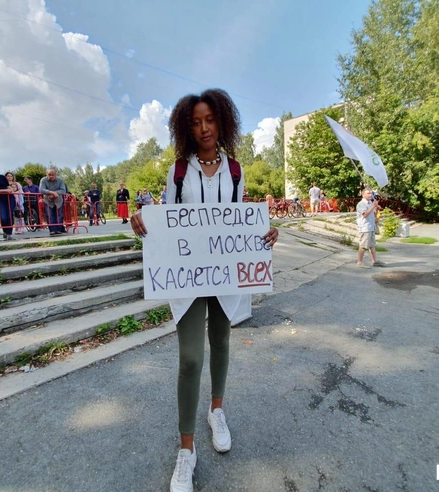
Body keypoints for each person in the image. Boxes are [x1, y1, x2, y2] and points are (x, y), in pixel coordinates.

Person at [130, 88, 278, 492]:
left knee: (223, 342)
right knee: (191, 358)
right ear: (185, 127)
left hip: (225, 273)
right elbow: (165, 220)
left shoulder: (235, 170)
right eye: (195, 122)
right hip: (188, 278)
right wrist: (141, 220)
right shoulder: (178, 171)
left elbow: (241, 220)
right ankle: (186, 450)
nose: (203, 128)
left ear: (222, 120)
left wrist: (263, 235)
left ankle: (216, 411)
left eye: (209, 119)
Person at [356, 187, 384, 268]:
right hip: (365, 227)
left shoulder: (370, 203)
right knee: (363, 245)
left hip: (371, 226)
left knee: (372, 245)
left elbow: (375, 216)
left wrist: (377, 208)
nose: (370, 195)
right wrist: (373, 206)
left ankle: (374, 261)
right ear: (363, 194)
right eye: (368, 193)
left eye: (371, 193)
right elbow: (365, 214)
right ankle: (359, 262)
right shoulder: (361, 204)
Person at [39, 167, 67, 236]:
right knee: (49, 215)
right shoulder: (43, 180)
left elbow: (63, 190)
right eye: (49, 175)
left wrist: (54, 194)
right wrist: (51, 192)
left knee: (59, 215)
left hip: (58, 201)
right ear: (46, 174)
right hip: (47, 201)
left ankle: (58, 229)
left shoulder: (60, 181)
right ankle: (52, 230)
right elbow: (41, 189)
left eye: (53, 175)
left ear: (55, 174)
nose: (51, 176)